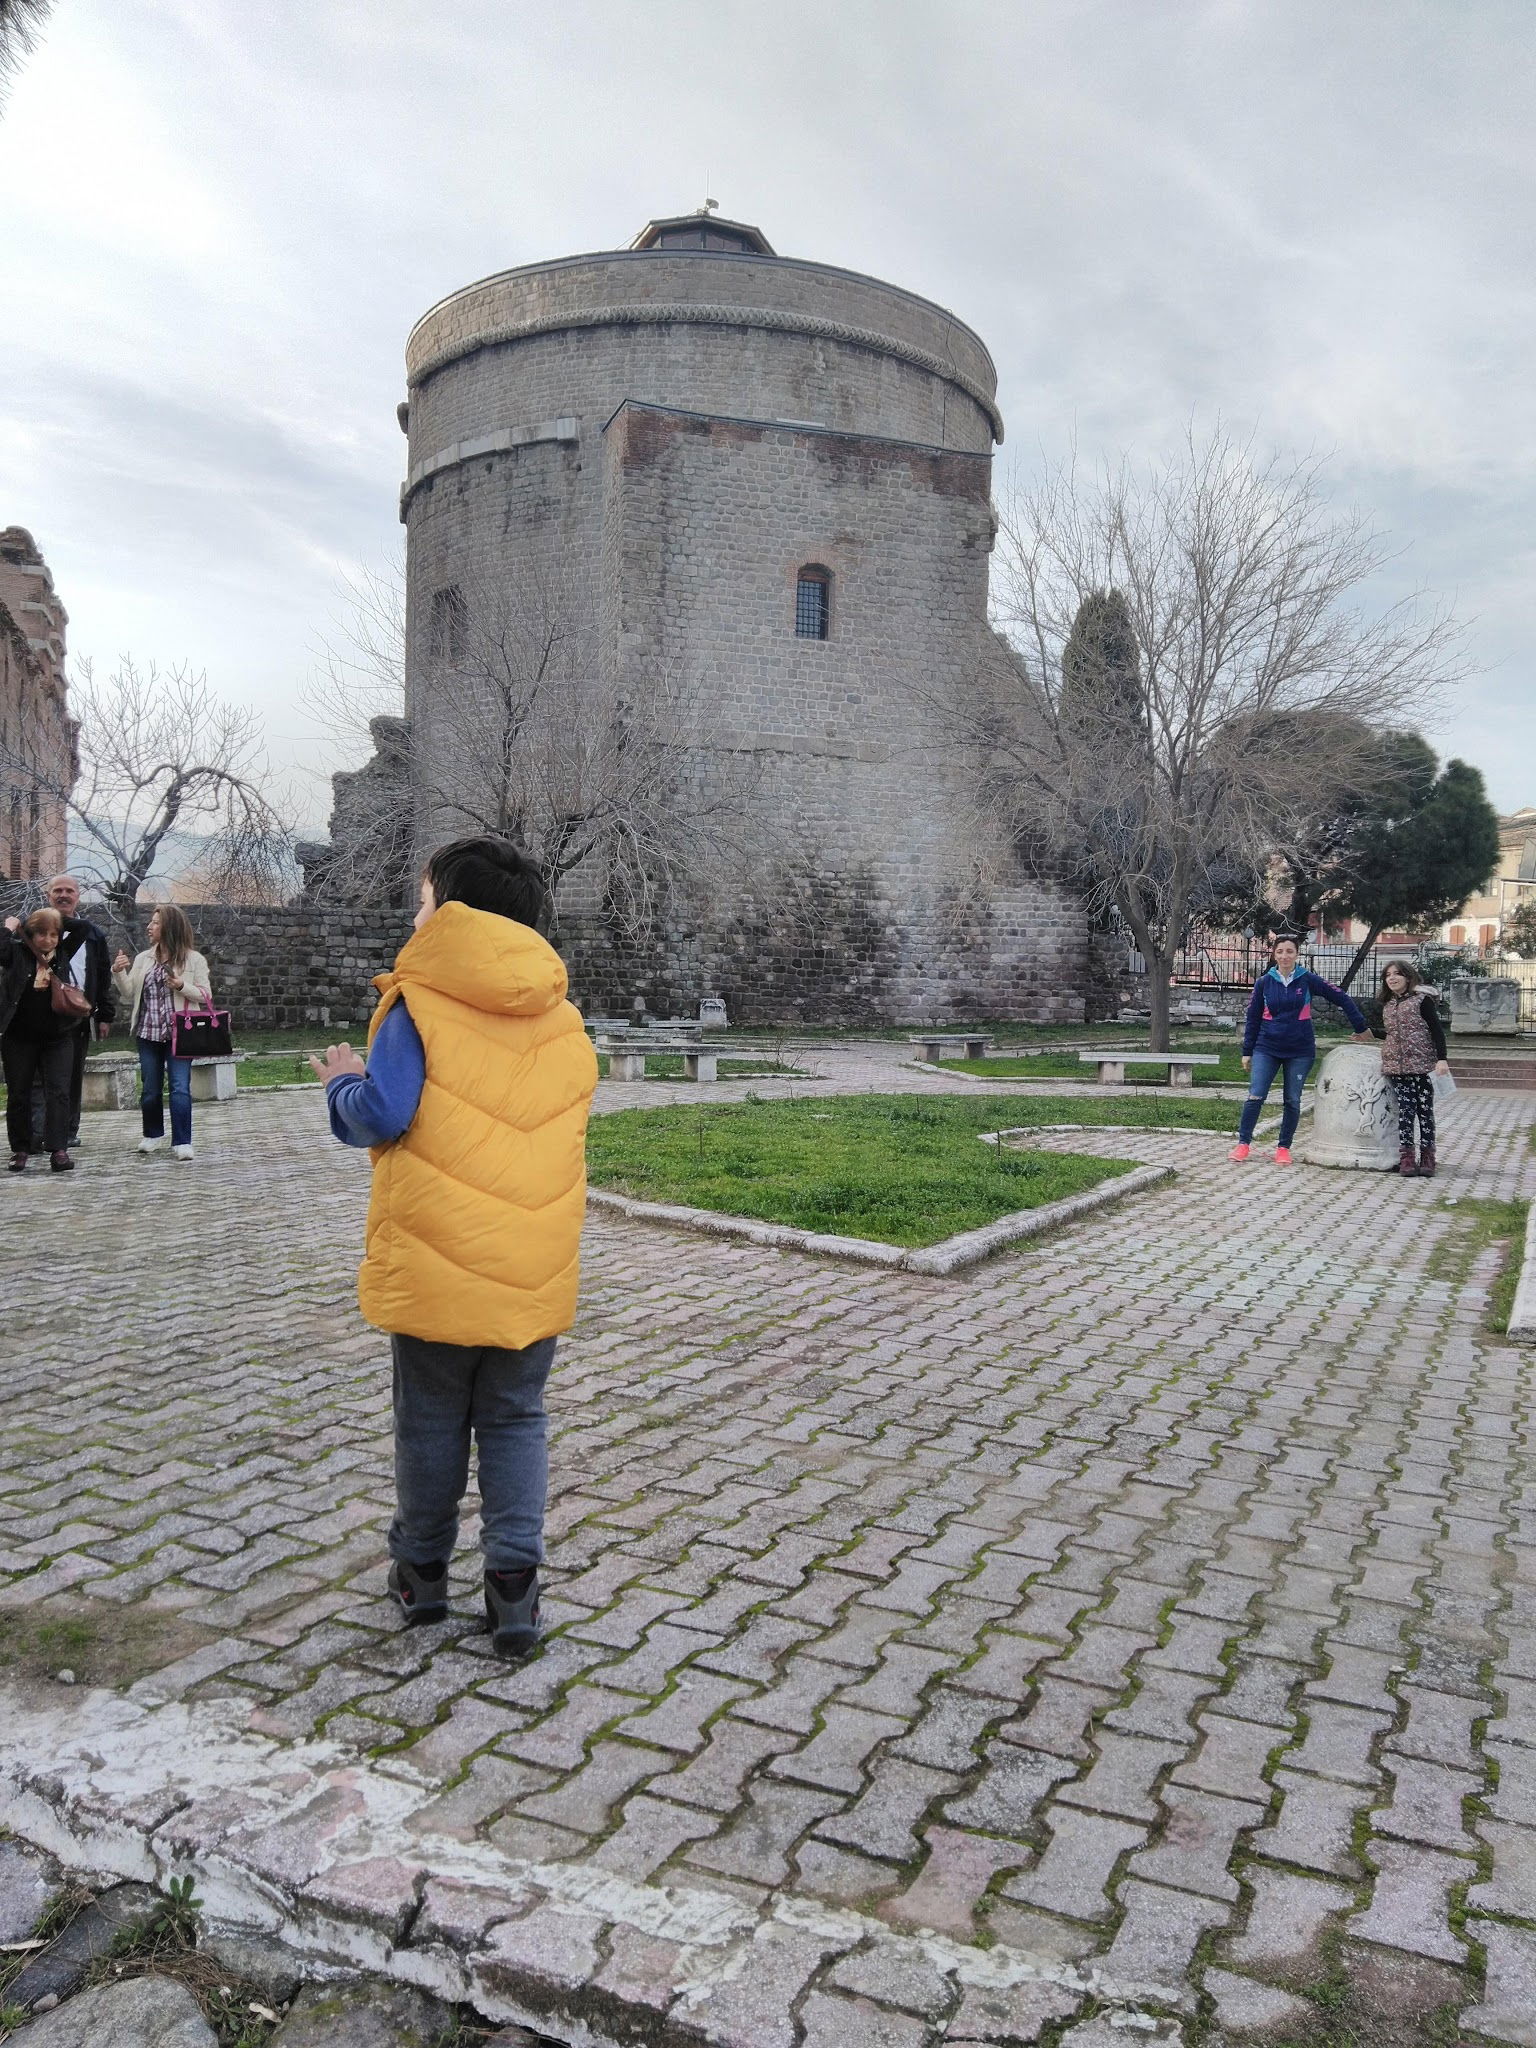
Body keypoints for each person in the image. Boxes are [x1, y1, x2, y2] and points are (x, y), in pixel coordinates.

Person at [311, 836, 597, 1657]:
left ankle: (422, 1576)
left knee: (429, 1422)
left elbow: (382, 1114)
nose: (415, 912)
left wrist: (340, 1079)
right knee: (515, 1417)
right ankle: (514, 1590)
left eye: (425, 896)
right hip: (531, 1257)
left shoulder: (417, 1004)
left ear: (456, 913)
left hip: (438, 1255)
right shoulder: (563, 1017)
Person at [1230, 935, 1372, 1165]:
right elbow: (1253, 1018)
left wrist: (1361, 1027)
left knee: (1292, 1100)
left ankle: (1283, 1148)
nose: (1285, 956)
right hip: (1267, 1048)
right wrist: (1247, 1051)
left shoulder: (1308, 979)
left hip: (1300, 1051)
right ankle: (1243, 1144)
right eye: (1280, 952)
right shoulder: (1264, 983)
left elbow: (1341, 997)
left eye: (1289, 951)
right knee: (1255, 1095)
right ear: (1274, 955)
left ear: (1297, 954)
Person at [111, 904, 214, 1162]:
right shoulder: (144, 958)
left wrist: (181, 985)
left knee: (180, 1088)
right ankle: (153, 1134)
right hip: (148, 1033)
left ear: (170, 927)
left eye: (155, 923)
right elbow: (128, 993)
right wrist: (118, 971)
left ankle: (182, 1141)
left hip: (180, 1034)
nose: (149, 926)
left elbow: (205, 995)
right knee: (150, 1089)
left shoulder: (193, 959)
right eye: (150, 922)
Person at [1, 907, 83, 1172]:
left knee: (59, 1092)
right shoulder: (16, 952)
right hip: (19, 1037)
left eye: (53, 934)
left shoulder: (62, 953)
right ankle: (21, 1149)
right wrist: (11, 926)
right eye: (41, 934)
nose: (48, 940)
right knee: (19, 1093)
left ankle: (58, 1149)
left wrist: (56, 916)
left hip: (57, 1036)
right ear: (30, 934)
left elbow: (86, 930)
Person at [42, 876, 116, 1149]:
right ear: (48, 895)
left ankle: (68, 1131)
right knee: (41, 1078)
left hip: (77, 1014)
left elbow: (101, 976)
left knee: (71, 1076)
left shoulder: (93, 933)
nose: (63, 895)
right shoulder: (36, 928)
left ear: (78, 895)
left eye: (69, 891)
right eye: (57, 890)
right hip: (40, 1015)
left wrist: (105, 1015)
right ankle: (38, 1130)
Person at [1373, 959, 1451, 1178]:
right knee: (1406, 1112)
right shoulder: (1388, 1004)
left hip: (1422, 1065)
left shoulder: (1421, 1001)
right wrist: (1371, 1033)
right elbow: (1392, 1032)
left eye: (1397, 974)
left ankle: (1428, 1157)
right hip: (1397, 1067)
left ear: (1408, 977)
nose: (1392, 978)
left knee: (1424, 1111)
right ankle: (1406, 1156)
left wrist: (1441, 1058)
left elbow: (1436, 1031)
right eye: (1388, 975)